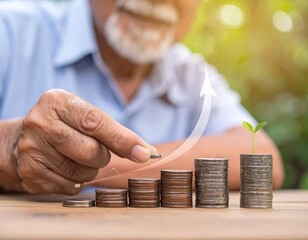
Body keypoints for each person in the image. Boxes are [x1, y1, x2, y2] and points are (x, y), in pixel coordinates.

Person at [0, 0, 284, 195]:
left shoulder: (192, 74)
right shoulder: (9, 30)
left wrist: (85, 166)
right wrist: (11, 146)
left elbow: (261, 157)